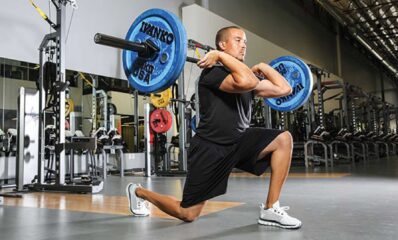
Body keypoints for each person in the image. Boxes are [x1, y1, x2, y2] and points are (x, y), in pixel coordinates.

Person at [126, 26, 302, 229]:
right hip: (211, 148)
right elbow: (246, 82)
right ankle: (138, 192)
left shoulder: (245, 77)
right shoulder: (213, 73)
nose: (243, 45)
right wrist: (219, 57)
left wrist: (263, 65)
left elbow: (285, 88)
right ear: (222, 44)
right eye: (238, 40)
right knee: (188, 213)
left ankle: (271, 208)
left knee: (283, 139)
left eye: (245, 41)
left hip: (238, 141)